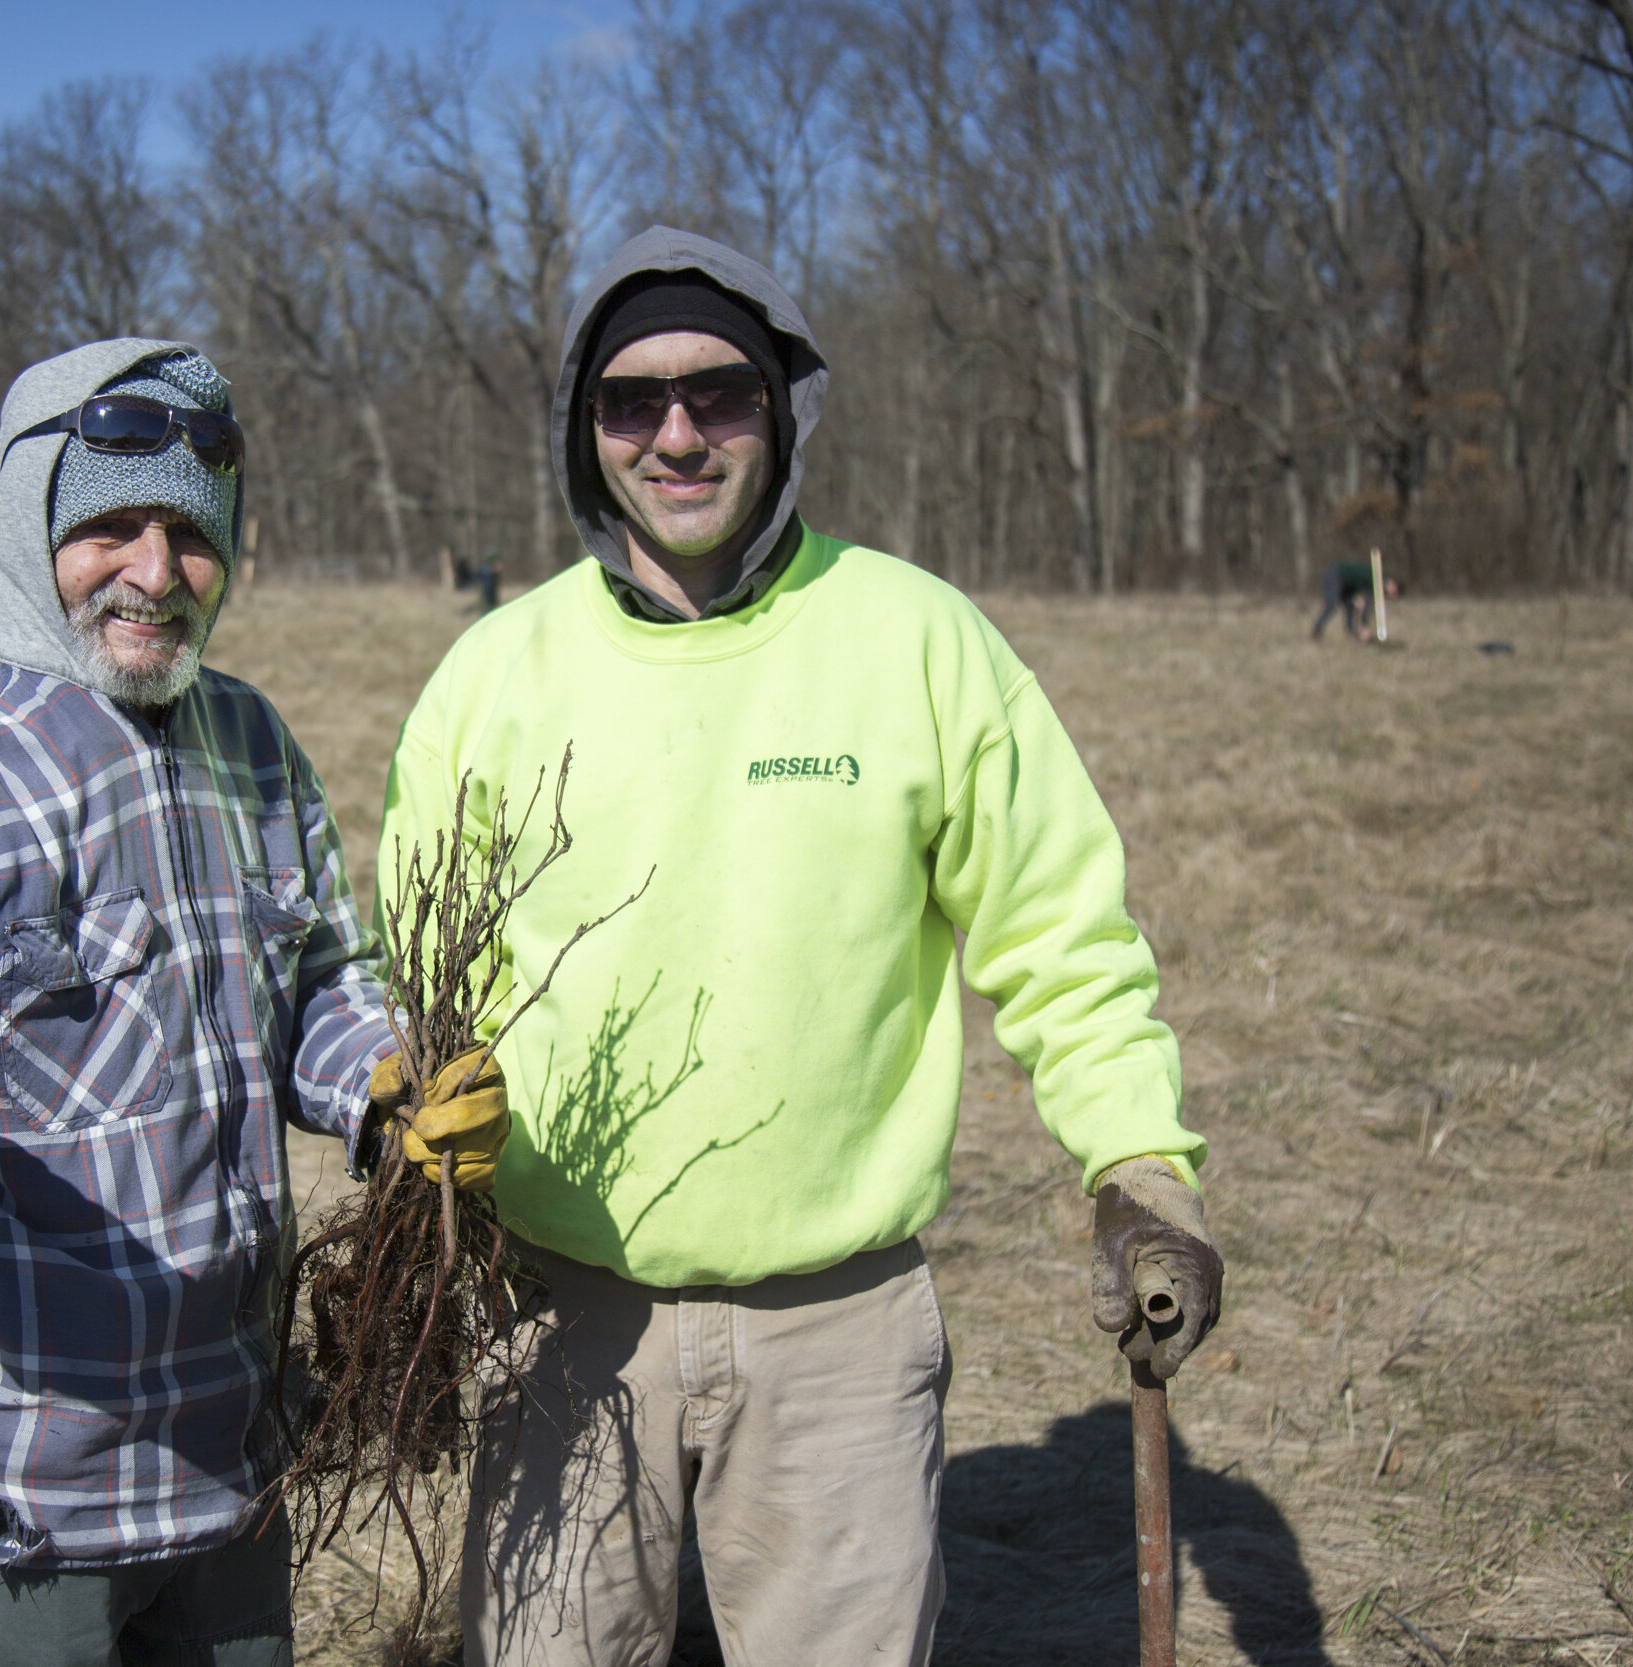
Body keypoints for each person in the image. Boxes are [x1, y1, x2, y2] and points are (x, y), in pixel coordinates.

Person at [378, 227, 1224, 1666]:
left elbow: (1064, 935)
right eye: (632, 400)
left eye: (723, 390)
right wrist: (405, 1114)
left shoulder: (915, 639)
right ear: (587, 431)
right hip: (561, 1320)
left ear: (785, 408)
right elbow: (408, 980)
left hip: (842, 1325)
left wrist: (1140, 1166)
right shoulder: (494, 675)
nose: (679, 432)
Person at [0, 339, 508, 1666]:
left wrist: (388, 1085)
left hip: (234, 1444)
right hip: (17, 1477)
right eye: (111, 525)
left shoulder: (251, 743)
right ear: (29, 528)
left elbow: (316, 984)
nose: (155, 570)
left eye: (190, 531)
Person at [1310, 559, 1401, 641]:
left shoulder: (1380, 578)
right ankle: (1316, 630)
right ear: (1393, 584)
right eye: (1392, 593)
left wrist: (1358, 598)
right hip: (1335, 575)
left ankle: (1351, 634)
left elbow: (1362, 595)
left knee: (1350, 606)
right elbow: (1367, 605)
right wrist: (1364, 626)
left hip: (1347, 584)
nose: (1389, 595)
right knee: (1331, 605)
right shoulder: (1378, 581)